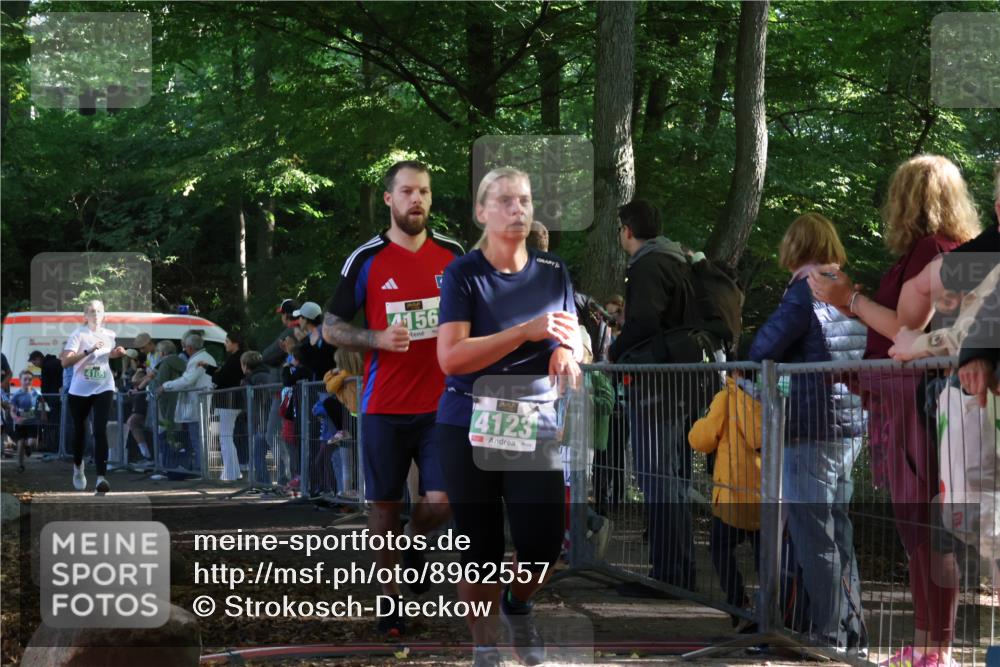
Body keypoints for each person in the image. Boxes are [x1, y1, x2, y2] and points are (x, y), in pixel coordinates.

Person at [808, 155, 980, 666]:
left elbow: (911, 330)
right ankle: (928, 644)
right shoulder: (937, 251)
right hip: (916, 401)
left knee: (929, 530)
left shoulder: (933, 251)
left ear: (907, 199)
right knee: (921, 530)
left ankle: (938, 649)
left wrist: (851, 299)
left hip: (921, 405)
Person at [435, 166, 582, 667]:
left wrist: (567, 353)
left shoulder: (554, 271)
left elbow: (570, 336)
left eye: (524, 200)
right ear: (482, 212)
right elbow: (451, 358)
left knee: (542, 542)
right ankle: (486, 646)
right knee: (479, 544)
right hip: (468, 419)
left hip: (532, 418)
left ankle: (518, 603)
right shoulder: (463, 274)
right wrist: (524, 332)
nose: (517, 209)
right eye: (504, 201)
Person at [323, 160, 463, 636]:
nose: (416, 200)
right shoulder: (365, 258)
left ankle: (414, 542)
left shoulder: (453, 254)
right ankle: (389, 598)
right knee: (383, 507)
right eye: (406, 191)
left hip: (443, 404)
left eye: (423, 191)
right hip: (383, 404)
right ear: (389, 199)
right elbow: (330, 326)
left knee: (442, 501)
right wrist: (376, 338)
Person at [749, 213, 869, 650]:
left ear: (795, 248)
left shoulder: (804, 292)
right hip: (849, 428)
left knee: (815, 533)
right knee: (838, 531)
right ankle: (851, 632)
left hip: (812, 427)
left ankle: (829, 633)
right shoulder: (846, 289)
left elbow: (762, 347)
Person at [608, 198, 700, 595]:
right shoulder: (677, 259)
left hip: (657, 387)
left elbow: (645, 322)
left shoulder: (647, 264)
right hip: (679, 384)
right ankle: (678, 570)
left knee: (657, 476)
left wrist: (616, 349)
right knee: (672, 477)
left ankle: (668, 577)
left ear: (627, 230)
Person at [688, 371, 763, 633]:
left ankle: (738, 602)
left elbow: (703, 439)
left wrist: (697, 426)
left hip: (732, 493)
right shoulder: (775, 397)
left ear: (738, 371)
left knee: (719, 548)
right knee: (764, 555)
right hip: (765, 494)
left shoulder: (726, 398)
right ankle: (769, 610)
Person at [60, 299, 127, 493]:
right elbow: (65, 362)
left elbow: (107, 356)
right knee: (82, 433)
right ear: (85, 315)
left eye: (99, 311)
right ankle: (78, 468)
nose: (95, 314)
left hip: (104, 386)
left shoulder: (110, 334)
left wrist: (116, 353)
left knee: (99, 430)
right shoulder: (78, 335)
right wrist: (89, 351)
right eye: (91, 311)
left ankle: (100, 478)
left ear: (104, 314)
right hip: (80, 390)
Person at [158, 332, 217, 473]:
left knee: (198, 438)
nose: (184, 350)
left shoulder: (199, 360)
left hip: (198, 404)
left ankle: (201, 470)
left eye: (185, 347)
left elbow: (187, 380)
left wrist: (165, 386)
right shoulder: (205, 357)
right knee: (199, 438)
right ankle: (201, 468)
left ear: (190, 347)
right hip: (202, 403)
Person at [212, 330, 247, 481]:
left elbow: (222, 378)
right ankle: (233, 471)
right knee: (226, 437)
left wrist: (214, 373)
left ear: (235, 343)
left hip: (229, 402)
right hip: (230, 401)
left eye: (227, 341)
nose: (225, 344)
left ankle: (230, 473)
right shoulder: (236, 358)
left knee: (225, 437)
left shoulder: (235, 359)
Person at [241, 350, 273, 485]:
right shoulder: (265, 374)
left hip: (263, 422)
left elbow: (263, 401)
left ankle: (264, 484)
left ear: (245, 365)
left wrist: (262, 421)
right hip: (265, 420)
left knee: (258, 455)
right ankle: (264, 483)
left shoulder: (257, 378)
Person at [11, 370, 44, 472]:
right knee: (20, 444)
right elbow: (12, 410)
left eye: (29, 379)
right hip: (20, 423)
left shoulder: (36, 393)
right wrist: (16, 418)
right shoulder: (16, 395)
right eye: (25, 379)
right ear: (20, 380)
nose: (27, 381)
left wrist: (43, 413)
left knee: (32, 442)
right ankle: (20, 465)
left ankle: (28, 446)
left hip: (32, 422)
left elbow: (42, 403)